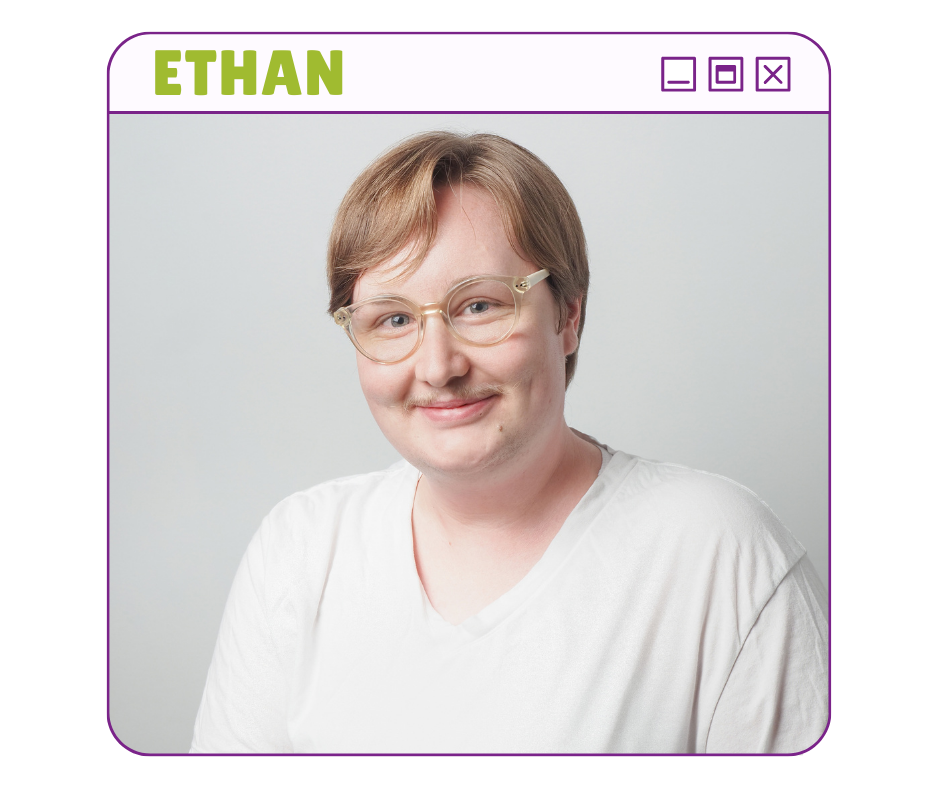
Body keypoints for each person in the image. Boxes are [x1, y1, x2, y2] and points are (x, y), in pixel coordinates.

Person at [190, 132, 828, 754]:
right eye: (395, 318)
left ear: (567, 314)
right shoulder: (299, 553)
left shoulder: (718, 553)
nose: (438, 367)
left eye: (479, 306)